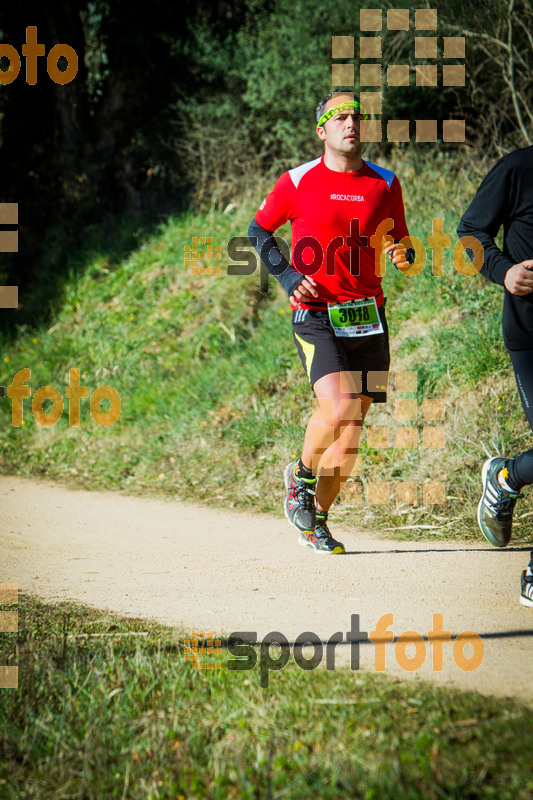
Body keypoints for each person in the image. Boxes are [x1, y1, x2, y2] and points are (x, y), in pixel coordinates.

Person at [248, 90, 412, 554]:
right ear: (321, 131)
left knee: (351, 438)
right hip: (315, 312)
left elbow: (402, 240)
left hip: (367, 316)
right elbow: (258, 231)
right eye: (339, 115)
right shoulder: (298, 180)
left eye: (356, 115)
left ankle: (316, 520)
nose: (350, 121)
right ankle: (299, 476)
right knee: (336, 409)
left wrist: (405, 254)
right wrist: (286, 275)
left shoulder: (385, 182)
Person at [457, 145, 533, 607]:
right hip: (531, 332)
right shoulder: (519, 168)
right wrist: (504, 272)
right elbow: (469, 235)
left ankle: (506, 478)